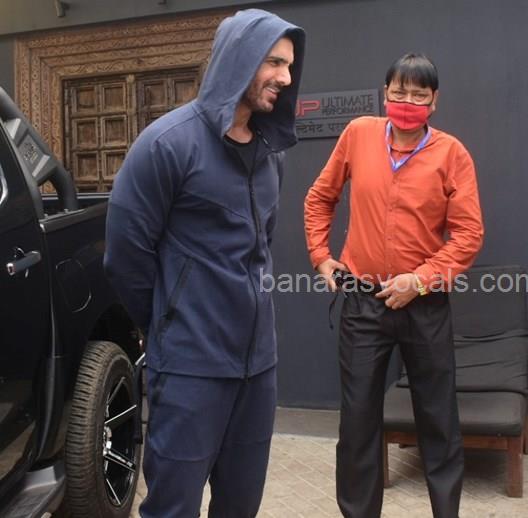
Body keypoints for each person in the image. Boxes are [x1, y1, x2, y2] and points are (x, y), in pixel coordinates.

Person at [103, 9, 304, 517]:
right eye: (274, 62)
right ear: (238, 59)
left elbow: (260, 246)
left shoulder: (271, 152)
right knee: (173, 507)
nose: (285, 76)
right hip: (189, 368)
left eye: (289, 65)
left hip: (258, 368)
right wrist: (169, 320)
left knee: (241, 505)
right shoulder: (166, 145)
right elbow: (125, 257)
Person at [304, 53, 483, 518]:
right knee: (357, 421)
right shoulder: (358, 134)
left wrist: (419, 281)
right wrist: (321, 256)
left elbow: (468, 235)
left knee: (438, 419)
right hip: (363, 303)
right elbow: (320, 197)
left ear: (434, 101)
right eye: (399, 92)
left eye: (418, 95)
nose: (407, 102)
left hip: (424, 305)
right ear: (384, 93)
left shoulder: (451, 153)